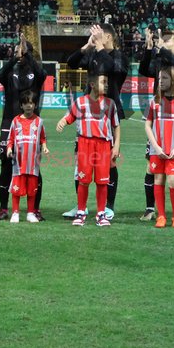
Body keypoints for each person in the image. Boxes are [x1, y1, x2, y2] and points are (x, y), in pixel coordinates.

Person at [62, 23, 128, 220]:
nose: (97, 37)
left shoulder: (120, 57)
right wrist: (87, 46)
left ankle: (108, 207)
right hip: (87, 114)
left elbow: (110, 69)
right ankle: (80, 206)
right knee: (80, 163)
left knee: (110, 164)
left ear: (109, 37)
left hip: (109, 113)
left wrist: (99, 48)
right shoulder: (93, 54)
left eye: (100, 35)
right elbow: (71, 63)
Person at [138, 29, 174, 222]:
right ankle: (150, 209)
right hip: (159, 120)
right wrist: (148, 49)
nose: (162, 42)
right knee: (151, 165)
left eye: (166, 41)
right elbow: (144, 69)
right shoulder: (161, 63)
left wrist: (161, 50)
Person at [0, 36, 48, 220]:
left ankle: (35, 209)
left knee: (34, 168)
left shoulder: (36, 73)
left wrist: (27, 55)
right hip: (9, 122)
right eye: (18, 51)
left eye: (24, 52)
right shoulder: (10, 71)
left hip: (32, 125)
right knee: (6, 166)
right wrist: (13, 58)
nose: (20, 54)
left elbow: (43, 75)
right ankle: (3, 208)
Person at [56, 73, 121, 228]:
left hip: (104, 146)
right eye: (103, 82)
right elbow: (70, 117)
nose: (106, 85)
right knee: (83, 181)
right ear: (92, 84)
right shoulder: (80, 102)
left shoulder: (110, 104)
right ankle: (80, 212)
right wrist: (62, 121)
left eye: (107, 82)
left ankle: (100, 213)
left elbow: (116, 125)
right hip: (85, 145)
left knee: (102, 182)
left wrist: (116, 145)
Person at [144, 66, 174, 229]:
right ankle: (161, 216)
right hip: (157, 150)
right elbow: (147, 125)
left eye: (164, 78)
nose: (160, 82)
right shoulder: (154, 102)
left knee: (173, 181)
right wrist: (155, 146)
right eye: (159, 79)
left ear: (173, 81)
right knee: (158, 179)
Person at [5, 90, 49, 223]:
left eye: (31, 103)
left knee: (32, 189)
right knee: (16, 189)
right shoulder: (15, 121)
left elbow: (43, 138)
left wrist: (45, 147)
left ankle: (30, 213)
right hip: (18, 163)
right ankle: (15, 213)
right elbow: (10, 139)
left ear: (35, 105)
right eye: (26, 103)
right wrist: (8, 149)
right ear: (21, 105)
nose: (28, 106)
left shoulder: (39, 122)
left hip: (33, 164)